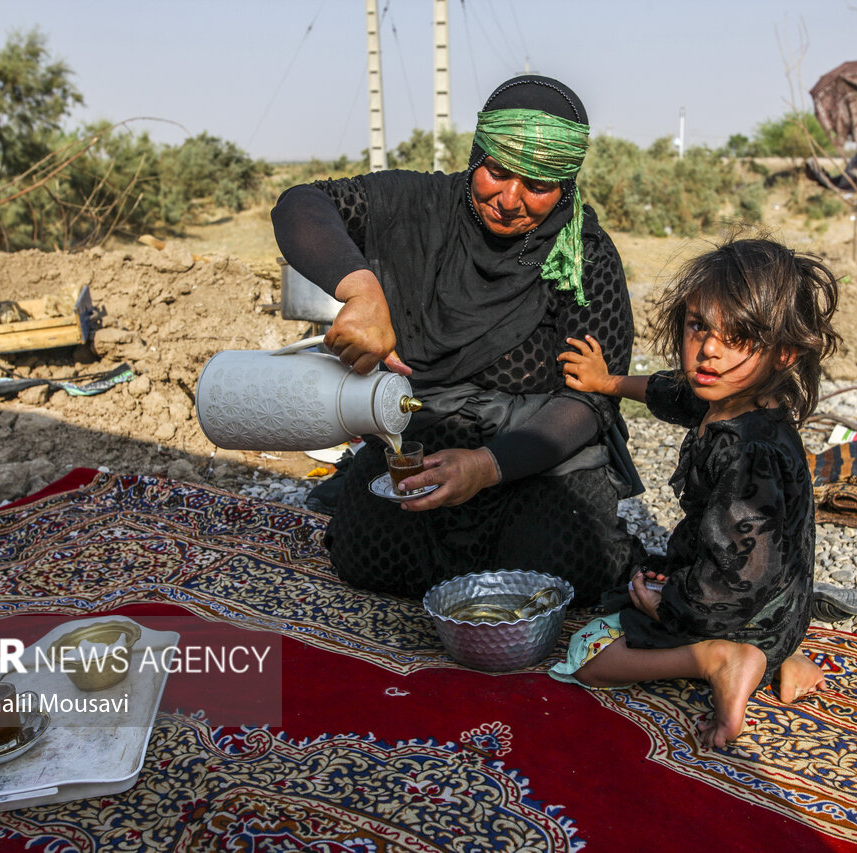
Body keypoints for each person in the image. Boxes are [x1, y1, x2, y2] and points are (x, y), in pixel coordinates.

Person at [271, 75, 644, 606]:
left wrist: (488, 466)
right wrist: (362, 290)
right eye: (496, 172)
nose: (510, 199)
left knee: (560, 568)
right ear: (478, 154)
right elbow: (299, 205)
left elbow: (589, 401)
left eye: (537, 186)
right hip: (421, 440)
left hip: (532, 456)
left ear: (566, 184)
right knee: (368, 556)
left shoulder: (584, 257)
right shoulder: (419, 205)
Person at [549, 237, 840, 749]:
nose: (709, 349)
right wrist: (608, 382)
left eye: (739, 337)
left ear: (784, 353)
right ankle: (779, 655)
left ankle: (720, 660)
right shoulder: (727, 398)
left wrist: (672, 609)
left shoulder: (750, 452)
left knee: (591, 656)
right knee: (639, 579)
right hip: (780, 603)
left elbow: (737, 576)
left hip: (736, 605)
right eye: (699, 326)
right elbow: (666, 392)